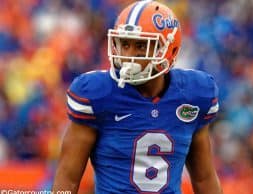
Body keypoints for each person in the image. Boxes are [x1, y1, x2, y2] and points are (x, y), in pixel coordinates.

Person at [52, 0, 223, 193]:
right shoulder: (96, 94)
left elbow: (204, 178)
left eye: (141, 46)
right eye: (125, 44)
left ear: (168, 49)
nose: (129, 55)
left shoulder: (194, 94)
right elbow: (68, 179)